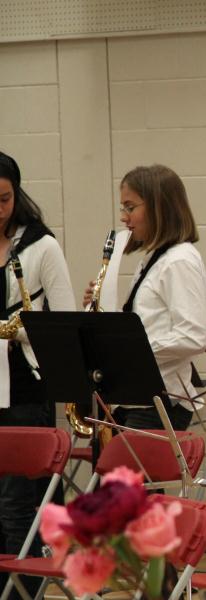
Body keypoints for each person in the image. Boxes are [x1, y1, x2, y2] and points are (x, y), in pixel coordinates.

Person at [83, 164, 206, 431]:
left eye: (130, 207)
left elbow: (193, 335)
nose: (124, 217)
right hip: (139, 399)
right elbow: (149, 323)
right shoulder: (155, 259)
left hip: (162, 401)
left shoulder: (179, 261)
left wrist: (133, 351)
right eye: (123, 208)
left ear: (158, 207)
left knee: (121, 462)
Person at [0, 151, 75, 597]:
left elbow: (64, 321)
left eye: (4, 199)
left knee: (16, 504)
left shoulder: (41, 246)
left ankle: (24, 591)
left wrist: (16, 331)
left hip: (26, 390)